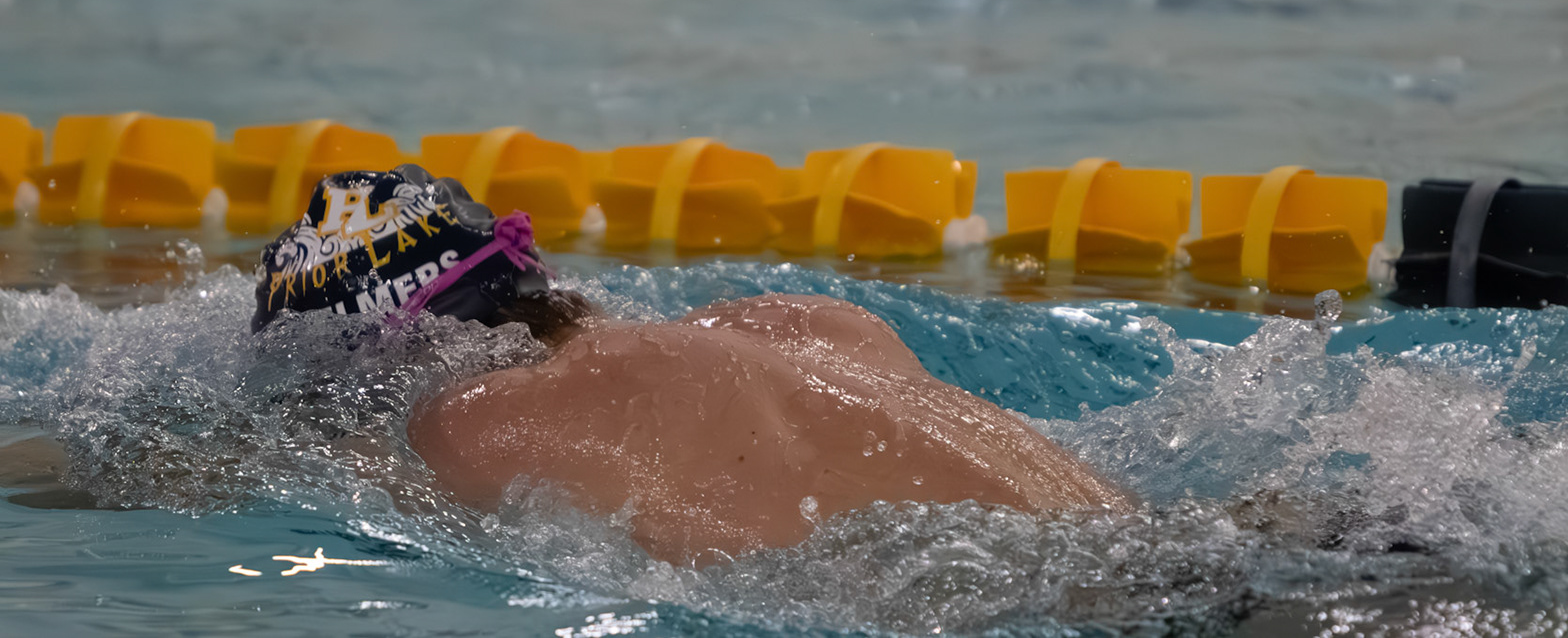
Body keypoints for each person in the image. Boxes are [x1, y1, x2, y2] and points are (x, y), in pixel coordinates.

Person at [254, 165, 1131, 567]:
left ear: (402, 343)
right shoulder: (794, 320)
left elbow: (258, 474)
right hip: (1151, 543)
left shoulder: (474, 421)